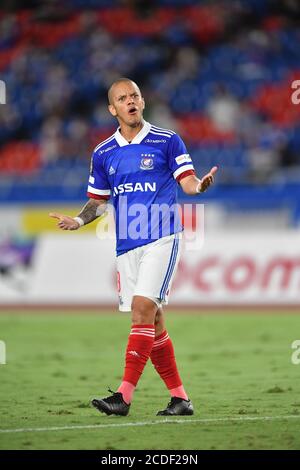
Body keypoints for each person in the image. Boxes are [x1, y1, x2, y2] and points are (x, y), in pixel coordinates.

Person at [50, 78, 217, 416]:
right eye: (123, 98)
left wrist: (199, 187)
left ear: (142, 102)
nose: (131, 102)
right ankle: (180, 399)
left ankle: (123, 397)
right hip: (126, 246)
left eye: (136, 96)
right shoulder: (103, 153)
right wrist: (79, 221)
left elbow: (187, 182)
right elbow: (98, 201)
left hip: (162, 237)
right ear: (113, 109)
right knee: (152, 322)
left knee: (142, 309)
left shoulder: (166, 140)